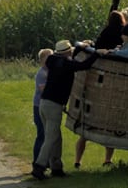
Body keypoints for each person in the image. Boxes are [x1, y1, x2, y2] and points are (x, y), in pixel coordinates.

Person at [34, 40, 99, 180]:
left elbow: (69, 58)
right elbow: (85, 65)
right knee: (51, 138)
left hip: (44, 103)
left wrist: (81, 47)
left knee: (55, 137)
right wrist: (97, 53)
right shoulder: (66, 64)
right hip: (54, 105)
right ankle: (39, 167)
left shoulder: (52, 60)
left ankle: (56, 168)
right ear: (67, 52)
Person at [74, 10, 126, 168]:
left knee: (87, 124)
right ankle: (107, 159)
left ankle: (77, 160)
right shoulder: (122, 33)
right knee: (110, 124)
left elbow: (98, 45)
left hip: (98, 77)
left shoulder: (106, 32)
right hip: (114, 78)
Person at [32, 48, 53, 164]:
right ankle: (37, 161)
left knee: (47, 135)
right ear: (42, 60)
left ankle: (46, 161)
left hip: (45, 106)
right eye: (48, 57)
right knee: (41, 134)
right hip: (38, 106)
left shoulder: (49, 71)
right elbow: (42, 88)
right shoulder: (42, 73)